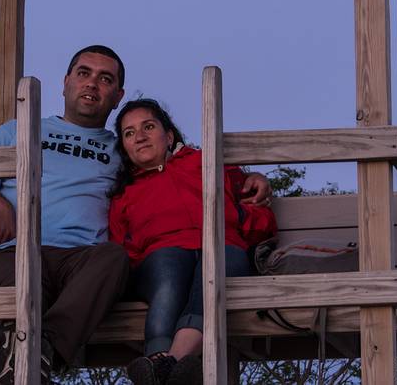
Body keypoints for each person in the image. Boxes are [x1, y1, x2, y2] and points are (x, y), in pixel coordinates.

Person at [0, 46, 270, 384]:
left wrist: (250, 178)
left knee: (113, 258)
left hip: (85, 264)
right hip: (19, 251)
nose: (92, 84)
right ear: (66, 81)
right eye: (83, 73)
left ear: (117, 95)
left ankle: (29, 353)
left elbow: (169, 176)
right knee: (24, 282)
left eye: (105, 79)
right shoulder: (20, 130)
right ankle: (38, 356)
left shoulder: (123, 151)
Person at [108, 99, 277, 385]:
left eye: (148, 126)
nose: (139, 136)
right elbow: (122, 249)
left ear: (169, 135)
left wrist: (239, 214)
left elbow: (261, 219)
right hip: (161, 261)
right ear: (124, 148)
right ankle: (173, 364)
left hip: (223, 247)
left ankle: (162, 365)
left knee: (215, 264)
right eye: (129, 133)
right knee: (169, 272)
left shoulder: (208, 163)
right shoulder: (124, 194)